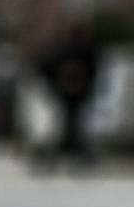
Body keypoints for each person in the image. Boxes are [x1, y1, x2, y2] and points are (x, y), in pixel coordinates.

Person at [34, 27, 101, 171]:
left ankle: (70, 155)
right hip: (66, 93)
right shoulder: (68, 50)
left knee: (72, 125)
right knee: (67, 125)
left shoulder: (76, 50)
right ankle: (67, 155)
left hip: (74, 93)